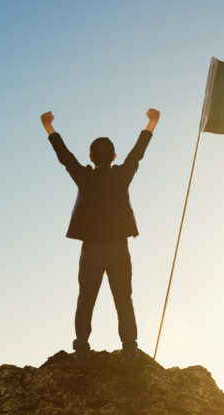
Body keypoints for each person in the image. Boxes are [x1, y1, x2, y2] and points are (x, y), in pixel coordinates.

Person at [41, 108, 159, 361]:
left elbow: (66, 158)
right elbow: (137, 155)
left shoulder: (84, 176)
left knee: (86, 300)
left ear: (91, 157)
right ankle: (130, 349)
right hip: (118, 249)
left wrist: (49, 128)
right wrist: (151, 124)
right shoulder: (122, 175)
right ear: (114, 156)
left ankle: (82, 349)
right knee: (123, 300)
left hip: (91, 250)